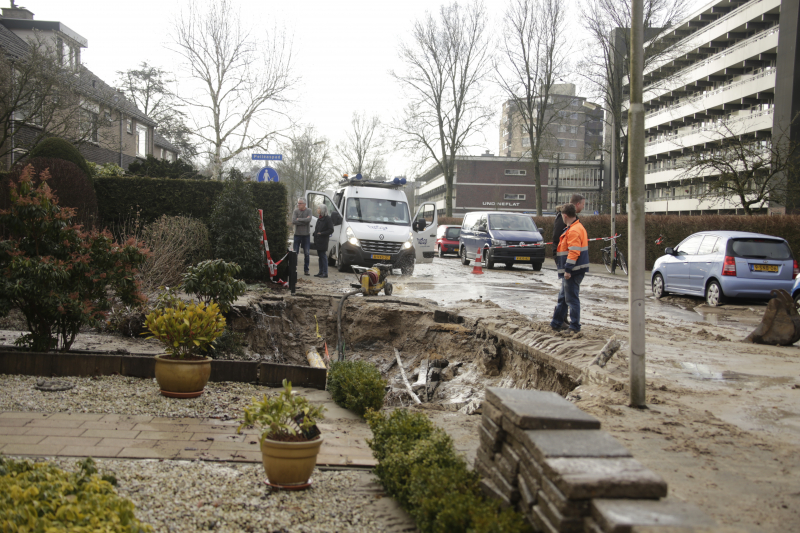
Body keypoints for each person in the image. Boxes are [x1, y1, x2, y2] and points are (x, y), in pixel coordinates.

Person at [550, 203, 589, 333]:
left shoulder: (573, 230)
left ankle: (574, 326)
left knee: (571, 299)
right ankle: (556, 323)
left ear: (565, 215)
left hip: (573, 270)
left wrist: (567, 269)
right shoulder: (576, 227)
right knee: (563, 297)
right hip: (574, 269)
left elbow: (573, 252)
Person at [552, 193, 586, 260]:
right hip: (564, 258)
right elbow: (556, 237)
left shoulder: (572, 219)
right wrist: (557, 257)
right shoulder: (563, 217)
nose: (583, 207)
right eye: (583, 204)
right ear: (578, 204)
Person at [292, 198, 312, 275]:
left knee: (307, 253)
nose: (298, 205)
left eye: (300, 203)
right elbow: (294, 221)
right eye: (298, 203)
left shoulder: (309, 211)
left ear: (304, 204)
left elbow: (309, 220)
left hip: (306, 235)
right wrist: (304, 221)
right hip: (297, 234)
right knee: (295, 252)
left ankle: (306, 269)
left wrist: (299, 219)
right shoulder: (295, 211)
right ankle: (294, 268)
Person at [313, 205, 333, 278]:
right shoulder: (319, 218)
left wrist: (322, 233)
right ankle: (320, 272)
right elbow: (317, 229)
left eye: (319, 208)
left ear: (322, 210)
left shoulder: (327, 219)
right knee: (320, 256)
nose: (317, 209)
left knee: (323, 256)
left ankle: (325, 272)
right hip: (318, 240)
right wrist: (315, 234)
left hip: (323, 240)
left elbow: (331, 230)